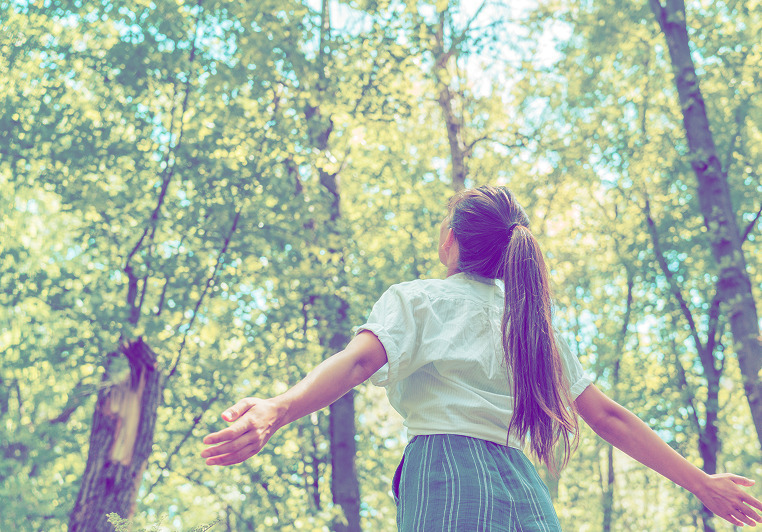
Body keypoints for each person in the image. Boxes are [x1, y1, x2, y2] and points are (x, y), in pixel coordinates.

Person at [202, 185, 762, 530]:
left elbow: (354, 364)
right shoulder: (535, 326)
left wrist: (277, 407)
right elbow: (608, 416)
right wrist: (699, 482)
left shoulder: (419, 299)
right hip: (522, 485)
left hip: (443, 473)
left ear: (452, 239)